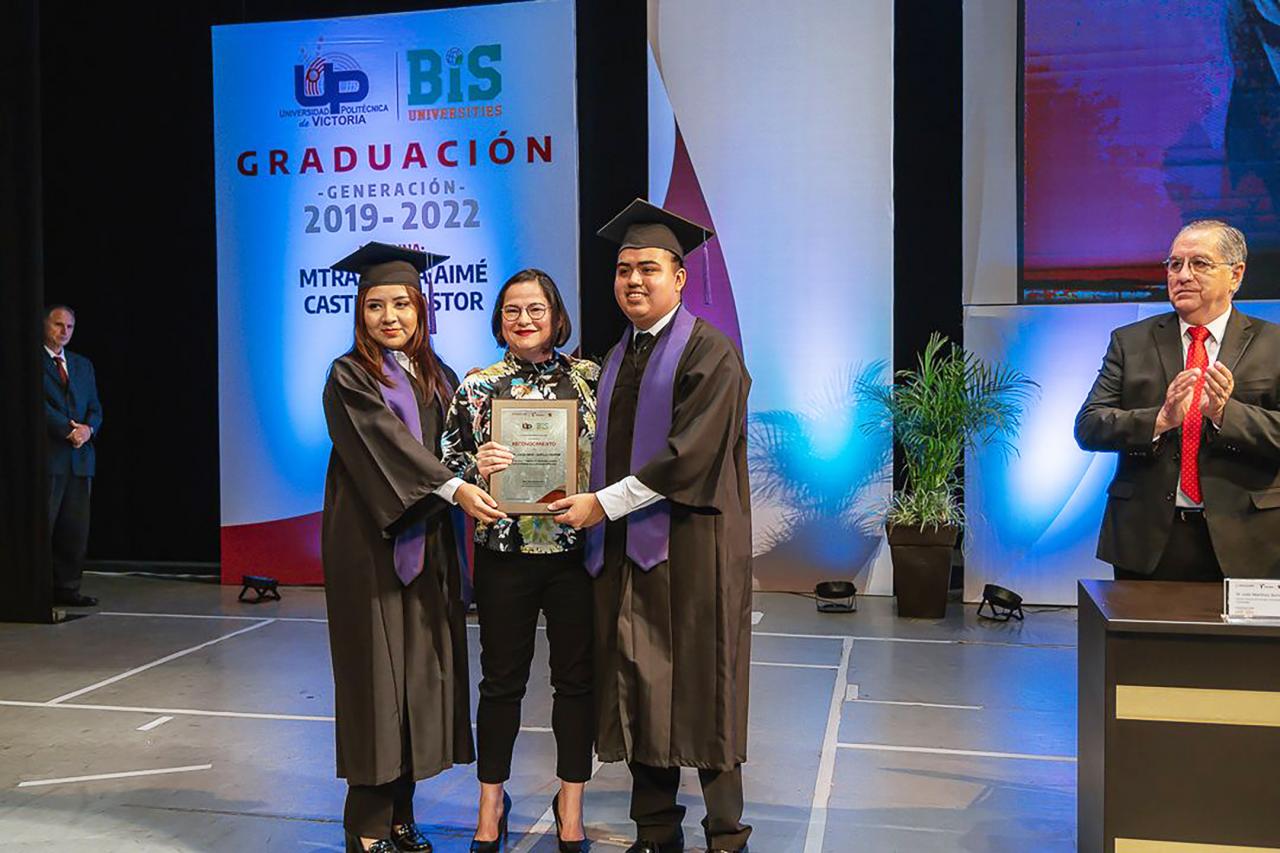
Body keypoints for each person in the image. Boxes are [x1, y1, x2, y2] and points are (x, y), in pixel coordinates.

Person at [550, 200, 754, 853]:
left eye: (648, 268)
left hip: (694, 550)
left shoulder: (711, 353)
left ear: (679, 277)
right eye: (623, 270)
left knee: (704, 686)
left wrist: (603, 505)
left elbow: (688, 456)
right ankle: (656, 831)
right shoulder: (618, 356)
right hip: (627, 553)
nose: (633, 280)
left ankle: (725, 834)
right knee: (639, 682)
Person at [321, 242, 505, 853]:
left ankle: (402, 814)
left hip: (428, 545)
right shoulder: (349, 376)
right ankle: (367, 826)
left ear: (420, 309)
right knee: (376, 683)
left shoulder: (437, 374)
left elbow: (454, 448)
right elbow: (385, 449)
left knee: (417, 681)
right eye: (376, 305)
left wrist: (485, 459)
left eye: (401, 304)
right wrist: (453, 485)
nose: (389, 316)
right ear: (360, 312)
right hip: (370, 548)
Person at [441, 268, 599, 853]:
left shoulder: (590, 381)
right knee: (501, 683)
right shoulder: (477, 386)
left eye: (536, 309)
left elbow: (614, 457)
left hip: (574, 554)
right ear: (499, 319)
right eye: (512, 310)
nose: (524, 319)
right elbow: (445, 466)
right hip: (503, 554)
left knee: (575, 682)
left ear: (557, 317)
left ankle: (571, 805)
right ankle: (490, 805)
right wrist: (472, 472)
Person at [1075, 220, 1280, 581]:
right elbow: (1089, 426)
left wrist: (1225, 415)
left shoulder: (1273, 344)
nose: (1183, 275)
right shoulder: (1130, 342)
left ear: (1235, 275)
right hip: (1146, 539)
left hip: (1248, 539)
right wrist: (1160, 420)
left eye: (1199, 263)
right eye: (1174, 264)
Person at [43, 304, 103, 607]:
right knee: (45, 525)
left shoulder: (82, 365)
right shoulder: (31, 362)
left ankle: (67, 589)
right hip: (50, 457)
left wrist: (88, 430)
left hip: (80, 459)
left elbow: (95, 407)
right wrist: (68, 430)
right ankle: (36, 590)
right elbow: (38, 406)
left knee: (74, 529)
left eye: (69, 327)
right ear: (44, 325)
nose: (64, 331)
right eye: (58, 325)